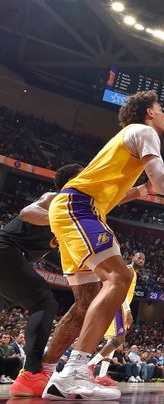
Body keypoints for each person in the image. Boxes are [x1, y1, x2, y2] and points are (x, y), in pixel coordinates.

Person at [43, 90, 164, 400]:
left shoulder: (129, 138)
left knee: (85, 302)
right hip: (80, 207)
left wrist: (144, 190)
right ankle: (73, 372)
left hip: (80, 207)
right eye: (162, 110)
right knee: (121, 277)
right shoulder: (146, 132)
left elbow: (119, 195)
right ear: (148, 112)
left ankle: (47, 373)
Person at [0, 164, 83, 397]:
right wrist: (60, 219)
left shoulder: (71, 212)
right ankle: (31, 373)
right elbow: (27, 213)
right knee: (44, 302)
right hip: (6, 250)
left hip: (11, 257)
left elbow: (58, 257)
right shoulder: (55, 198)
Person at [87, 252, 146, 387]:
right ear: (132, 258)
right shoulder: (129, 270)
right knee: (119, 338)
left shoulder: (134, 273)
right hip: (118, 305)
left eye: (143, 259)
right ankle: (91, 364)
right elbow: (122, 290)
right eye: (139, 257)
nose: (141, 260)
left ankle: (101, 375)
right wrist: (128, 311)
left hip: (118, 306)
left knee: (112, 342)